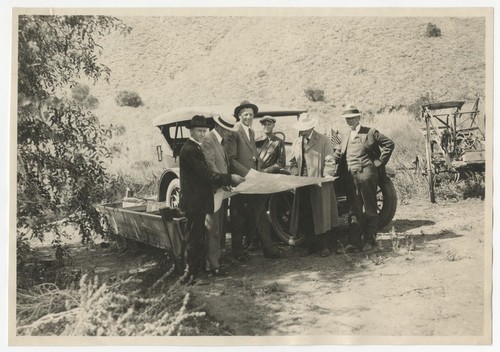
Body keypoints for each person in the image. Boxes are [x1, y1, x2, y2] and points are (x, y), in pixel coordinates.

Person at [179, 115, 245, 284]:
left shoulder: (195, 147)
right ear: (191, 131)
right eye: (199, 131)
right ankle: (189, 275)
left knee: (196, 237)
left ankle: (193, 273)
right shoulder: (190, 150)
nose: (202, 134)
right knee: (193, 239)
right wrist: (229, 178)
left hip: (198, 200)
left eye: (203, 131)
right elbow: (206, 174)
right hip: (194, 201)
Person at [225, 101, 284, 260]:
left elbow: (254, 156)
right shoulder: (234, 131)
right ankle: (238, 252)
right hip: (240, 181)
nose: (249, 117)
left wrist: (258, 173)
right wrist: (248, 174)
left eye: (251, 115)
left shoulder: (250, 132)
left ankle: (268, 249)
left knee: (259, 213)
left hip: (253, 181)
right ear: (239, 116)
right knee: (238, 217)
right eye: (245, 114)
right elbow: (231, 160)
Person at [333, 105, 394, 252]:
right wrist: (329, 160)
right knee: (353, 210)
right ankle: (354, 243)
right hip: (350, 177)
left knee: (370, 209)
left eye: (352, 118)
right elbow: (340, 153)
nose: (350, 121)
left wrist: (380, 162)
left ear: (359, 118)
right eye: (347, 119)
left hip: (366, 174)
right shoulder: (346, 135)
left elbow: (389, 144)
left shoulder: (370, 132)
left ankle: (370, 241)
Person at [289, 113, 339, 257]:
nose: (303, 131)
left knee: (321, 215)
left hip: (318, 183)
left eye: (305, 128)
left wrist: (328, 174)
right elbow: (292, 162)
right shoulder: (297, 142)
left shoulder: (323, 140)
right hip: (302, 184)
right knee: (306, 214)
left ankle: (324, 246)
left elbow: (330, 160)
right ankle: (310, 246)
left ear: (312, 127)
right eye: (301, 128)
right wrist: (294, 175)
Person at [201, 113, 238, 277]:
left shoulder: (220, 142)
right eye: (228, 129)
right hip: (213, 190)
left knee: (219, 227)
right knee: (212, 228)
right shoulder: (209, 140)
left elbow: (222, 164)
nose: (230, 133)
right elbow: (210, 166)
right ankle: (212, 266)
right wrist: (224, 181)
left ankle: (216, 260)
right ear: (220, 127)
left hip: (221, 189)